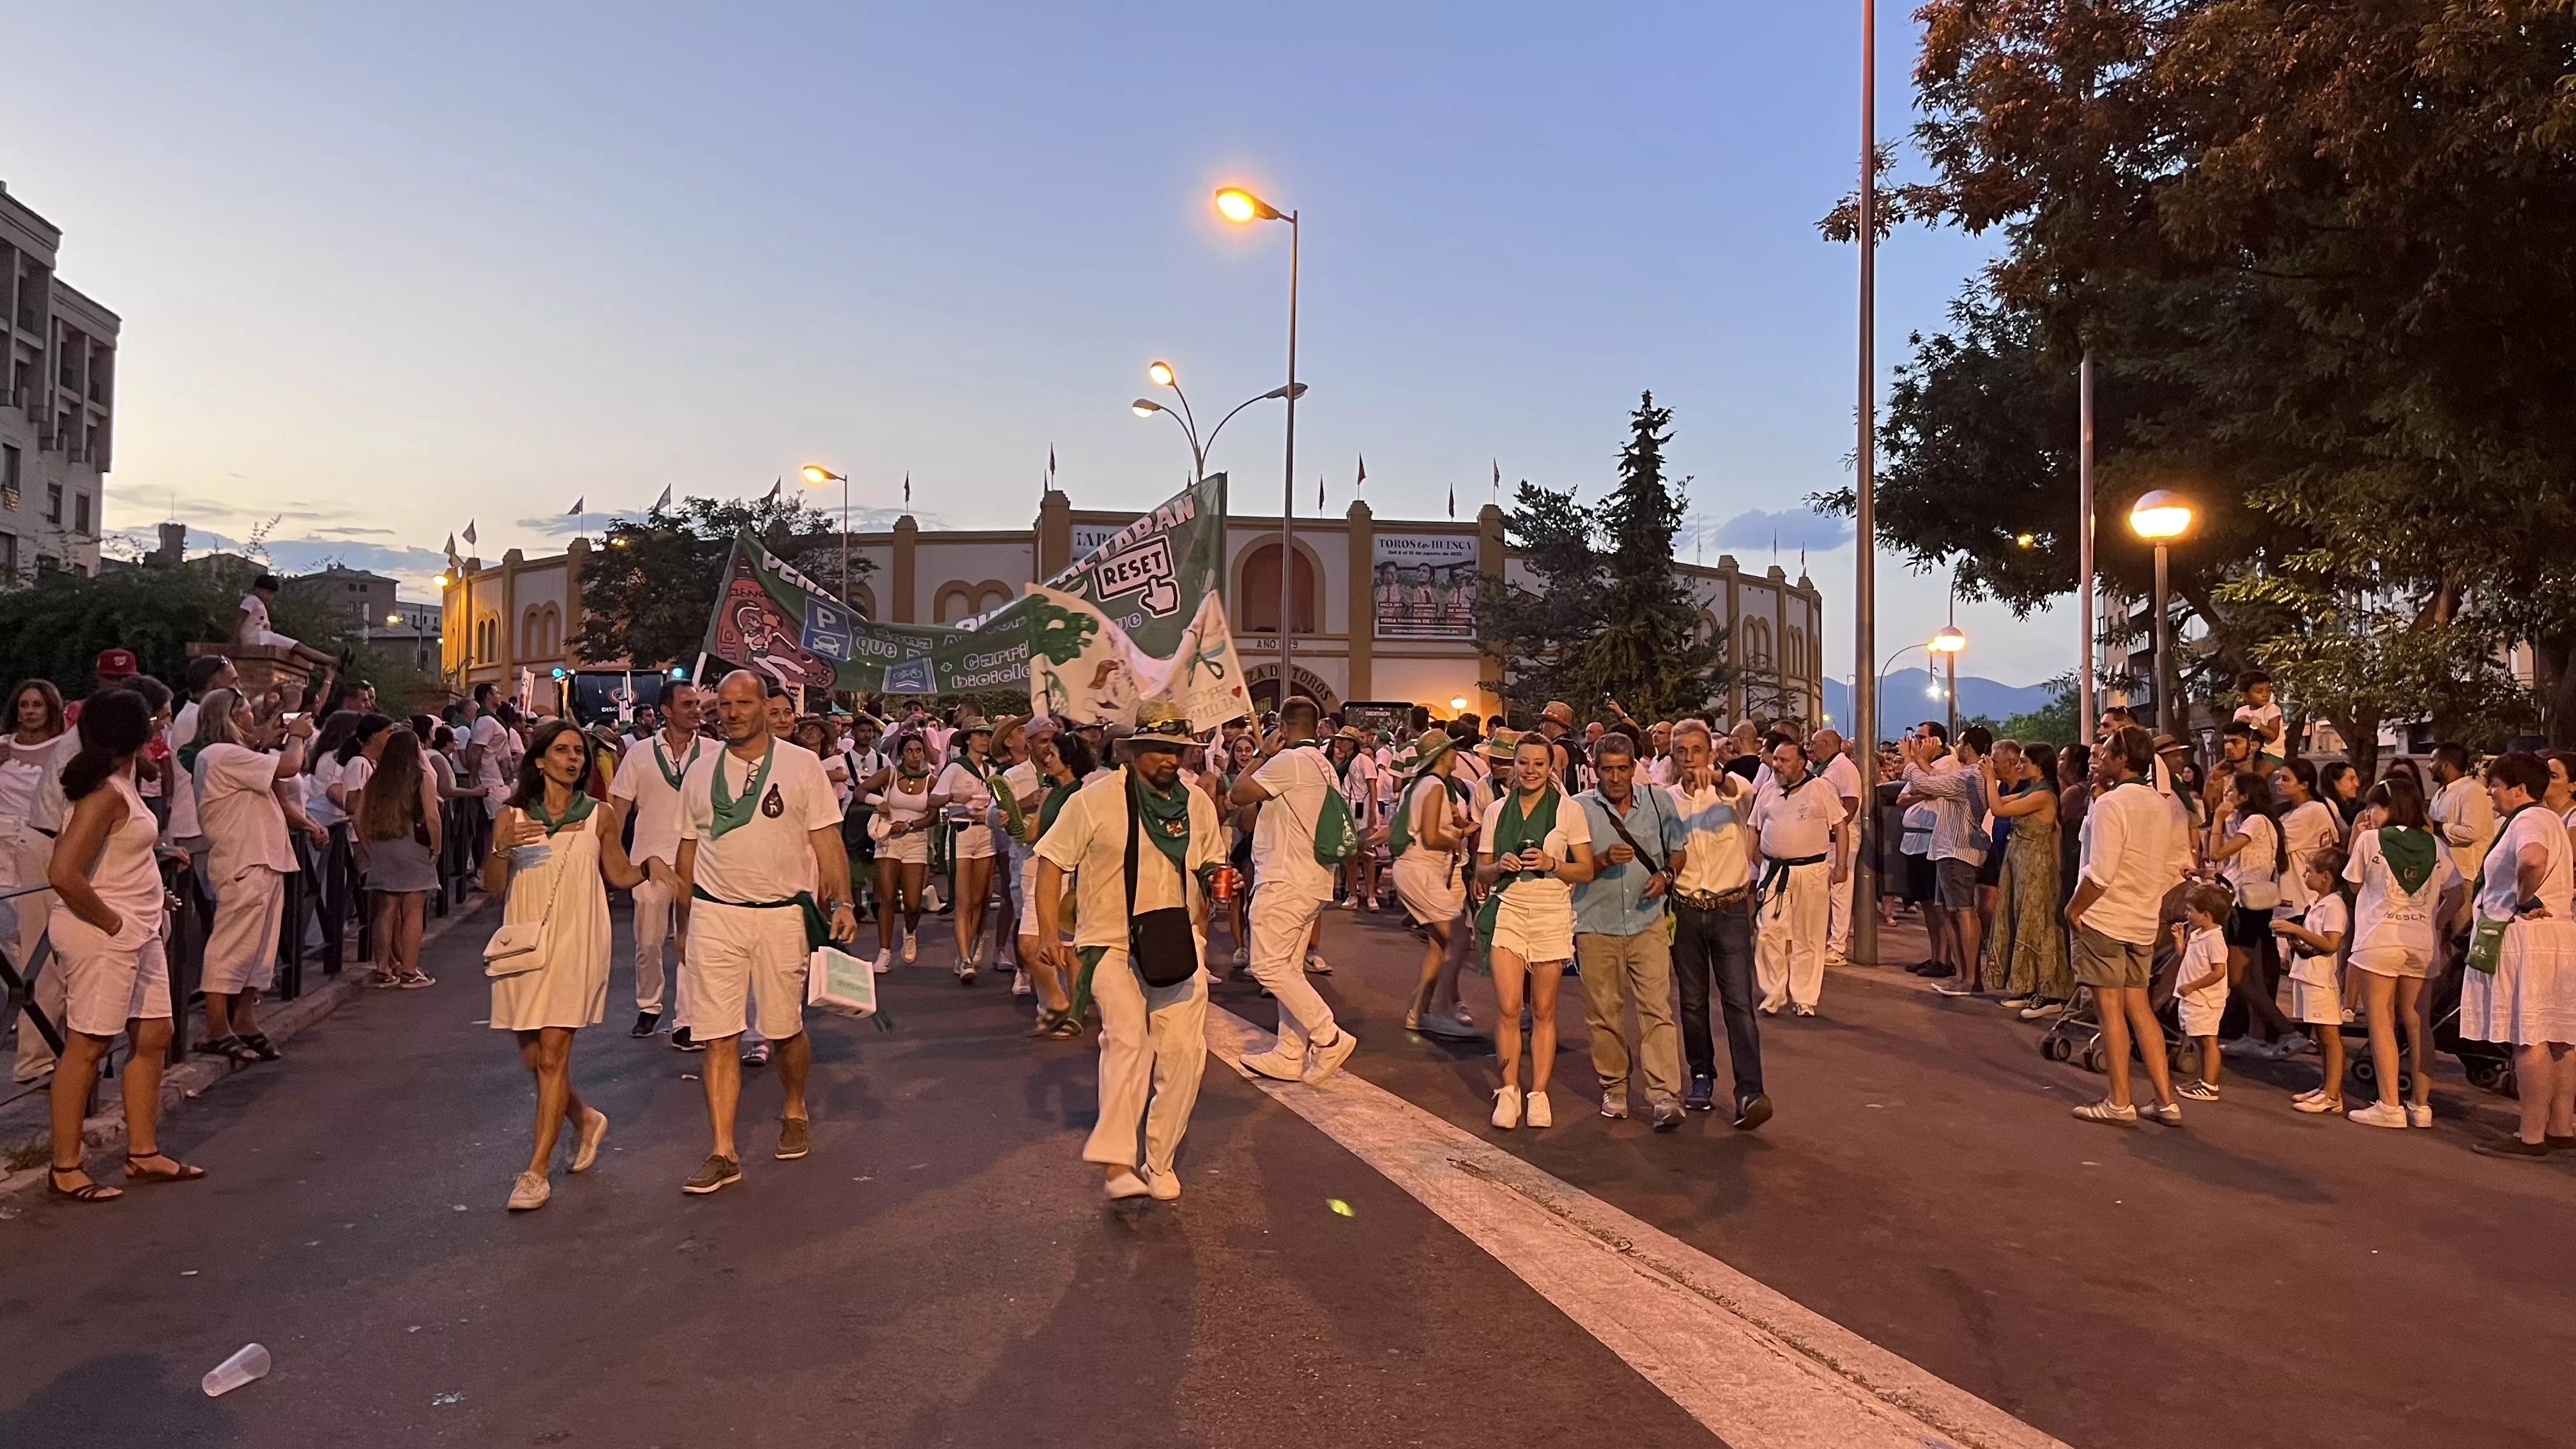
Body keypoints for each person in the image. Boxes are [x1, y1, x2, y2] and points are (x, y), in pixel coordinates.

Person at [671, 671, 859, 1195]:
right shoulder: (700, 773)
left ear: (764, 707)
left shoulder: (801, 767)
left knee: (783, 1030)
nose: (732, 712)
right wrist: (682, 925)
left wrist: (842, 900)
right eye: (725, 704)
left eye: (744, 703)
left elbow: (826, 839)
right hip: (716, 915)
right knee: (719, 1035)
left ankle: (795, 1106)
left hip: (781, 915)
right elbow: (686, 854)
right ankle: (723, 1150)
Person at [1031, 713, 1222, 1200]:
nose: (1169, 759)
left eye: (1176, 749)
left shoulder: (1196, 803)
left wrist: (1219, 889)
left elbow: (1207, 865)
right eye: (1159, 748)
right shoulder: (1095, 799)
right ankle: (1118, 1163)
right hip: (1109, 944)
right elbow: (1052, 862)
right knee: (1127, 1041)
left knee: (1184, 1054)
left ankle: (1159, 1161)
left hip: (1175, 945)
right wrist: (1050, 932)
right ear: (1132, 751)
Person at [40, 689, 203, 1203]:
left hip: (136, 930)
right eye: (155, 721)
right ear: (138, 734)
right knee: (87, 1045)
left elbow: (119, 850)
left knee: (155, 1033)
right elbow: (63, 873)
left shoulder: (122, 785)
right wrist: (114, 924)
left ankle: (143, 1151)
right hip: (105, 933)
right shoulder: (106, 792)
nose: (162, 726)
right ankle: (65, 1167)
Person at [483, 717, 644, 1209]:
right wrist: (500, 850)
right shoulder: (512, 815)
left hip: (578, 937)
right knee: (534, 1058)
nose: (575, 760)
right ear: (539, 759)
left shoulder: (599, 816)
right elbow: (493, 886)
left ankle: (535, 1171)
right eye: (564, 751)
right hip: (523, 941)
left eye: (580, 753)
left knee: (553, 1055)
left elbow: (617, 872)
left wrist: (657, 869)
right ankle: (585, 1119)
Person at [1229, 696, 1360, 1084]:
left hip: (1285, 879)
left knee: (1267, 965)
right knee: (1287, 968)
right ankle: (1289, 1052)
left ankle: (1328, 1036)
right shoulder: (1323, 765)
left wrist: (1261, 755)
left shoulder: (1288, 762)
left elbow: (1238, 793)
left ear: (1283, 729)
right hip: (1313, 879)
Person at [2064, 726, 2187, 1126]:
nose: (2098, 760)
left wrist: (2072, 909)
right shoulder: (2159, 804)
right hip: (2142, 917)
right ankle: (2165, 1100)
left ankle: (2119, 1101)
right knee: (2139, 1008)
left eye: (2105, 754)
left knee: (2111, 1011)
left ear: (2122, 760)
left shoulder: (2113, 804)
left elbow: (2100, 871)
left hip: (2106, 917)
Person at [1474, 734, 1597, 1129]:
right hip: (1509, 910)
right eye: (1523, 763)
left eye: (1539, 764)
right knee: (1509, 1008)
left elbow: (1587, 869)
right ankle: (1508, 1090)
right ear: (1514, 765)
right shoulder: (1495, 811)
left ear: (1550, 768)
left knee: (1544, 1010)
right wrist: (1499, 868)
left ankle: (1539, 1093)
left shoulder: (1568, 811)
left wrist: (1551, 863)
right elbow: (1481, 870)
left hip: (1550, 913)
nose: (1530, 770)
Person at [2458, 752, 2576, 1158]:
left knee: (2530, 1037)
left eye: (2495, 785)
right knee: (2560, 1036)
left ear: (2519, 789)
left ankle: (2530, 1135)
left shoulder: (2527, 819)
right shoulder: (2551, 820)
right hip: (2558, 935)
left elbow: (2532, 859)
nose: (2490, 793)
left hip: (2527, 937)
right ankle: (2560, 1128)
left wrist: (2524, 899)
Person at [1572, 732, 1689, 1128]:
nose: (1617, 777)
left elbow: (1679, 850)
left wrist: (1666, 874)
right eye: (1608, 769)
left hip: (1647, 921)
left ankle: (1664, 1095)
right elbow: (1571, 864)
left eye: (1624, 768)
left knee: (1657, 1009)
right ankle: (1615, 1086)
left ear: (1635, 766)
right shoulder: (1578, 809)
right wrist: (1601, 860)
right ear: (1596, 769)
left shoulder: (1659, 803)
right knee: (1603, 1012)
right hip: (1595, 923)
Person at [188, 688, 311, 1062]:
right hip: (244, 860)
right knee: (232, 945)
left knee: (258, 951)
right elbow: (289, 766)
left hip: (262, 857)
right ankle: (215, 1028)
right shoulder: (220, 754)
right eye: (243, 711)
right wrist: (297, 736)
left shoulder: (232, 755)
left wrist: (270, 735)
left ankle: (244, 1020)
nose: (248, 718)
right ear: (229, 717)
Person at [1666, 719, 1769, 1128]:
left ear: (1712, 753)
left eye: (1697, 750)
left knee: (1739, 1004)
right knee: (1692, 1003)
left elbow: (1738, 791)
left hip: (1729, 910)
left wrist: (1719, 779)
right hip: (1687, 910)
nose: (1690, 759)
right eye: (1681, 751)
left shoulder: (1734, 792)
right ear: (1673, 757)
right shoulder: (1666, 801)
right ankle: (1702, 1075)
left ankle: (1751, 1091)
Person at [2340, 777, 2452, 1129]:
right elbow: (2458, 895)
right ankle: (2421, 1105)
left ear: (2390, 808)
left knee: (2381, 1020)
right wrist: (2433, 922)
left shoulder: (2371, 839)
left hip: (2379, 938)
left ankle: (2389, 1104)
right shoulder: (2436, 845)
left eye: (2375, 806)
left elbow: (2354, 884)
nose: (2369, 813)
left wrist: (2356, 839)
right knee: (2419, 1022)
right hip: (2421, 941)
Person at [608, 682, 702, 1039]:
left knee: (691, 941)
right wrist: (611, 853)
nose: (696, 710)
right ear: (666, 710)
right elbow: (620, 804)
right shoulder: (640, 753)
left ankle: (687, 1020)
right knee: (648, 941)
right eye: (688, 704)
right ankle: (649, 1004)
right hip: (649, 862)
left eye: (697, 703)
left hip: (698, 862)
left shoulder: (712, 751)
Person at [3, 679, 78, 1084]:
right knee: (12, 938)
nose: (30, 711)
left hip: (40, 844)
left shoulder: (63, 749)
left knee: (40, 945)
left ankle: (43, 1036)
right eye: (24, 704)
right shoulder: (2, 746)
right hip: (3, 846)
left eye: (37, 705)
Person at [1389, 729, 1477, 1039]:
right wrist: (1460, 835)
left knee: (1440, 945)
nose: (1457, 754)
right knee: (1460, 939)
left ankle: (1419, 1013)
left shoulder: (1420, 785)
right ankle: (1440, 1012)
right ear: (1442, 756)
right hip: (1421, 869)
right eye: (1452, 750)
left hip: (1416, 870)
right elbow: (1429, 836)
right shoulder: (1435, 785)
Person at [1749, 735, 1846, 1016]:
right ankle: (1773, 993)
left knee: (1809, 936)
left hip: (1812, 871)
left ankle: (1804, 998)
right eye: (1775, 759)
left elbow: (1840, 827)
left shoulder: (1820, 789)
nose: (1776, 765)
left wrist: (1840, 866)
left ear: (1801, 763)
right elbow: (1752, 829)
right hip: (1774, 872)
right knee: (1769, 932)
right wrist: (1749, 865)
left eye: (1783, 760)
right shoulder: (1768, 790)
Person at [2209, 767, 2301, 1059]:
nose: (2226, 796)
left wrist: (2218, 819)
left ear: (2246, 795)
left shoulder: (2256, 821)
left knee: (2236, 978)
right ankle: (2256, 1036)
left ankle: (2288, 1032)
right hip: (2254, 904)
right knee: (2255, 979)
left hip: (2245, 908)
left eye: (2231, 791)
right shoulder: (2258, 821)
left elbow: (2217, 854)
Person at [1899, 723, 1989, 988]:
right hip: (1949, 848)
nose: (1957, 748)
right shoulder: (1967, 774)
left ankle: (1971, 979)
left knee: (1963, 912)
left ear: (1970, 748)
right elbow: (1936, 781)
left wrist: (1912, 759)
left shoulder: (1970, 776)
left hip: (1959, 849)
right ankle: (1963, 976)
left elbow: (1928, 784)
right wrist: (1919, 759)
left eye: (1961, 743)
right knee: (1949, 912)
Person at [1019, 728, 1096, 1036]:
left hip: (1071, 875)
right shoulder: (1048, 792)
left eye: (1054, 755)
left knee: (1071, 948)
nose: (1047, 759)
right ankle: (1058, 1001)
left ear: (1069, 760)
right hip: (1043, 871)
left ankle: (1073, 1012)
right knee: (1028, 943)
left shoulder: (1083, 794)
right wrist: (1011, 818)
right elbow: (1030, 833)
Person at [1982, 740, 2069, 1010]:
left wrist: (1988, 777)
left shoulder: (2044, 795)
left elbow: (1998, 809)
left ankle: (2049, 989)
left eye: (2024, 762)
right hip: (2020, 865)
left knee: (2037, 926)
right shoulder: (2033, 791)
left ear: (2039, 767)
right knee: (2019, 922)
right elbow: (1996, 801)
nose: (2019, 767)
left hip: (2037, 867)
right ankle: (2025, 985)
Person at [356, 724, 442, 989]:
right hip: (412, 848)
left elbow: (358, 817)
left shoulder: (377, 778)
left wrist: (369, 846)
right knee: (413, 908)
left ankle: (383, 968)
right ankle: (409, 970)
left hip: (383, 847)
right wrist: (436, 848)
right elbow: (431, 816)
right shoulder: (420, 777)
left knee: (385, 910)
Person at [2273, 845, 2351, 1114]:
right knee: (2321, 1034)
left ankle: (2333, 1095)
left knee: (2330, 1036)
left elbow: (2331, 943)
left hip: (2321, 978)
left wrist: (2296, 929)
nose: (2306, 875)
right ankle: (2326, 1086)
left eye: (2310, 871)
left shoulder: (2335, 906)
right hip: (2307, 973)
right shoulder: (2318, 903)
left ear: (2326, 876)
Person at [857, 730, 937, 972]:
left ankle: (910, 933)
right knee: (886, 898)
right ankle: (884, 953)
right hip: (889, 840)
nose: (914, 755)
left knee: (913, 903)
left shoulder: (930, 780)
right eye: (910, 750)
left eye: (918, 750)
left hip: (915, 841)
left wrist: (911, 824)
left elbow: (933, 817)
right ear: (902, 753)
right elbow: (860, 791)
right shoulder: (890, 774)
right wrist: (878, 802)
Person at [930, 720, 1004, 981]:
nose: (985, 740)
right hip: (962, 832)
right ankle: (964, 958)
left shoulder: (992, 769)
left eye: (987, 735)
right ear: (968, 739)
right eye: (980, 735)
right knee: (963, 900)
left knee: (981, 899)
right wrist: (952, 799)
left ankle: (971, 948)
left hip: (986, 833)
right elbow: (933, 798)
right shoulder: (956, 769)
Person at [2171, 883, 2236, 1101]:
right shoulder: (2198, 933)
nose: (2187, 914)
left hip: (2206, 1000)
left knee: (2209, 1040)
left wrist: (2192, 986)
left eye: (2191, 911)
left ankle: (2210, 1085)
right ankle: (2204, 1079)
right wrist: (2179, 940)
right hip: (2195, 998)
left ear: (2206, 915)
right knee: (2200, 1039)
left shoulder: (2215, 939)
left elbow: (2219, 972)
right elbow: (2186, 957)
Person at [1807, 729, 1865, 967]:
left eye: (1814, 743)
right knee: (1823, 891)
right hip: (1824, 839)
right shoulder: (1823, 767)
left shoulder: (1843, 767)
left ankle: (1837, 946)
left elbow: (1851, 802)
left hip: (1841, 839)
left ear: (1828, 743)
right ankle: (1822, 942)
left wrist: (1833, 831)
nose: (1810, 748)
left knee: (1841, 892)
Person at [231, 573, 340, 673]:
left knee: (295, 648)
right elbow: (240, 619)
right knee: (297, 646)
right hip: (258, 637)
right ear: (258, 589)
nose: (270, 597)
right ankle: (333, 660)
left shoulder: (258, 603)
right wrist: (234, 641)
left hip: (262, 637)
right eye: (268, 593)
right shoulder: (251, 600)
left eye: (272, 594)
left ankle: (332, 661)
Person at [2234, 670, 2287, 772]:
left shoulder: (2272, 709)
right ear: (2245, 695)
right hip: (2247, 754)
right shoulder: (2240, 712)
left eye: (2268, 691)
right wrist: (2238, 724)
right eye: (2259, 691)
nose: (2265, 695)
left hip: (2271, 755)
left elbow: (2273, 735)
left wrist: (2255, 724)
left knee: (2259, 775)